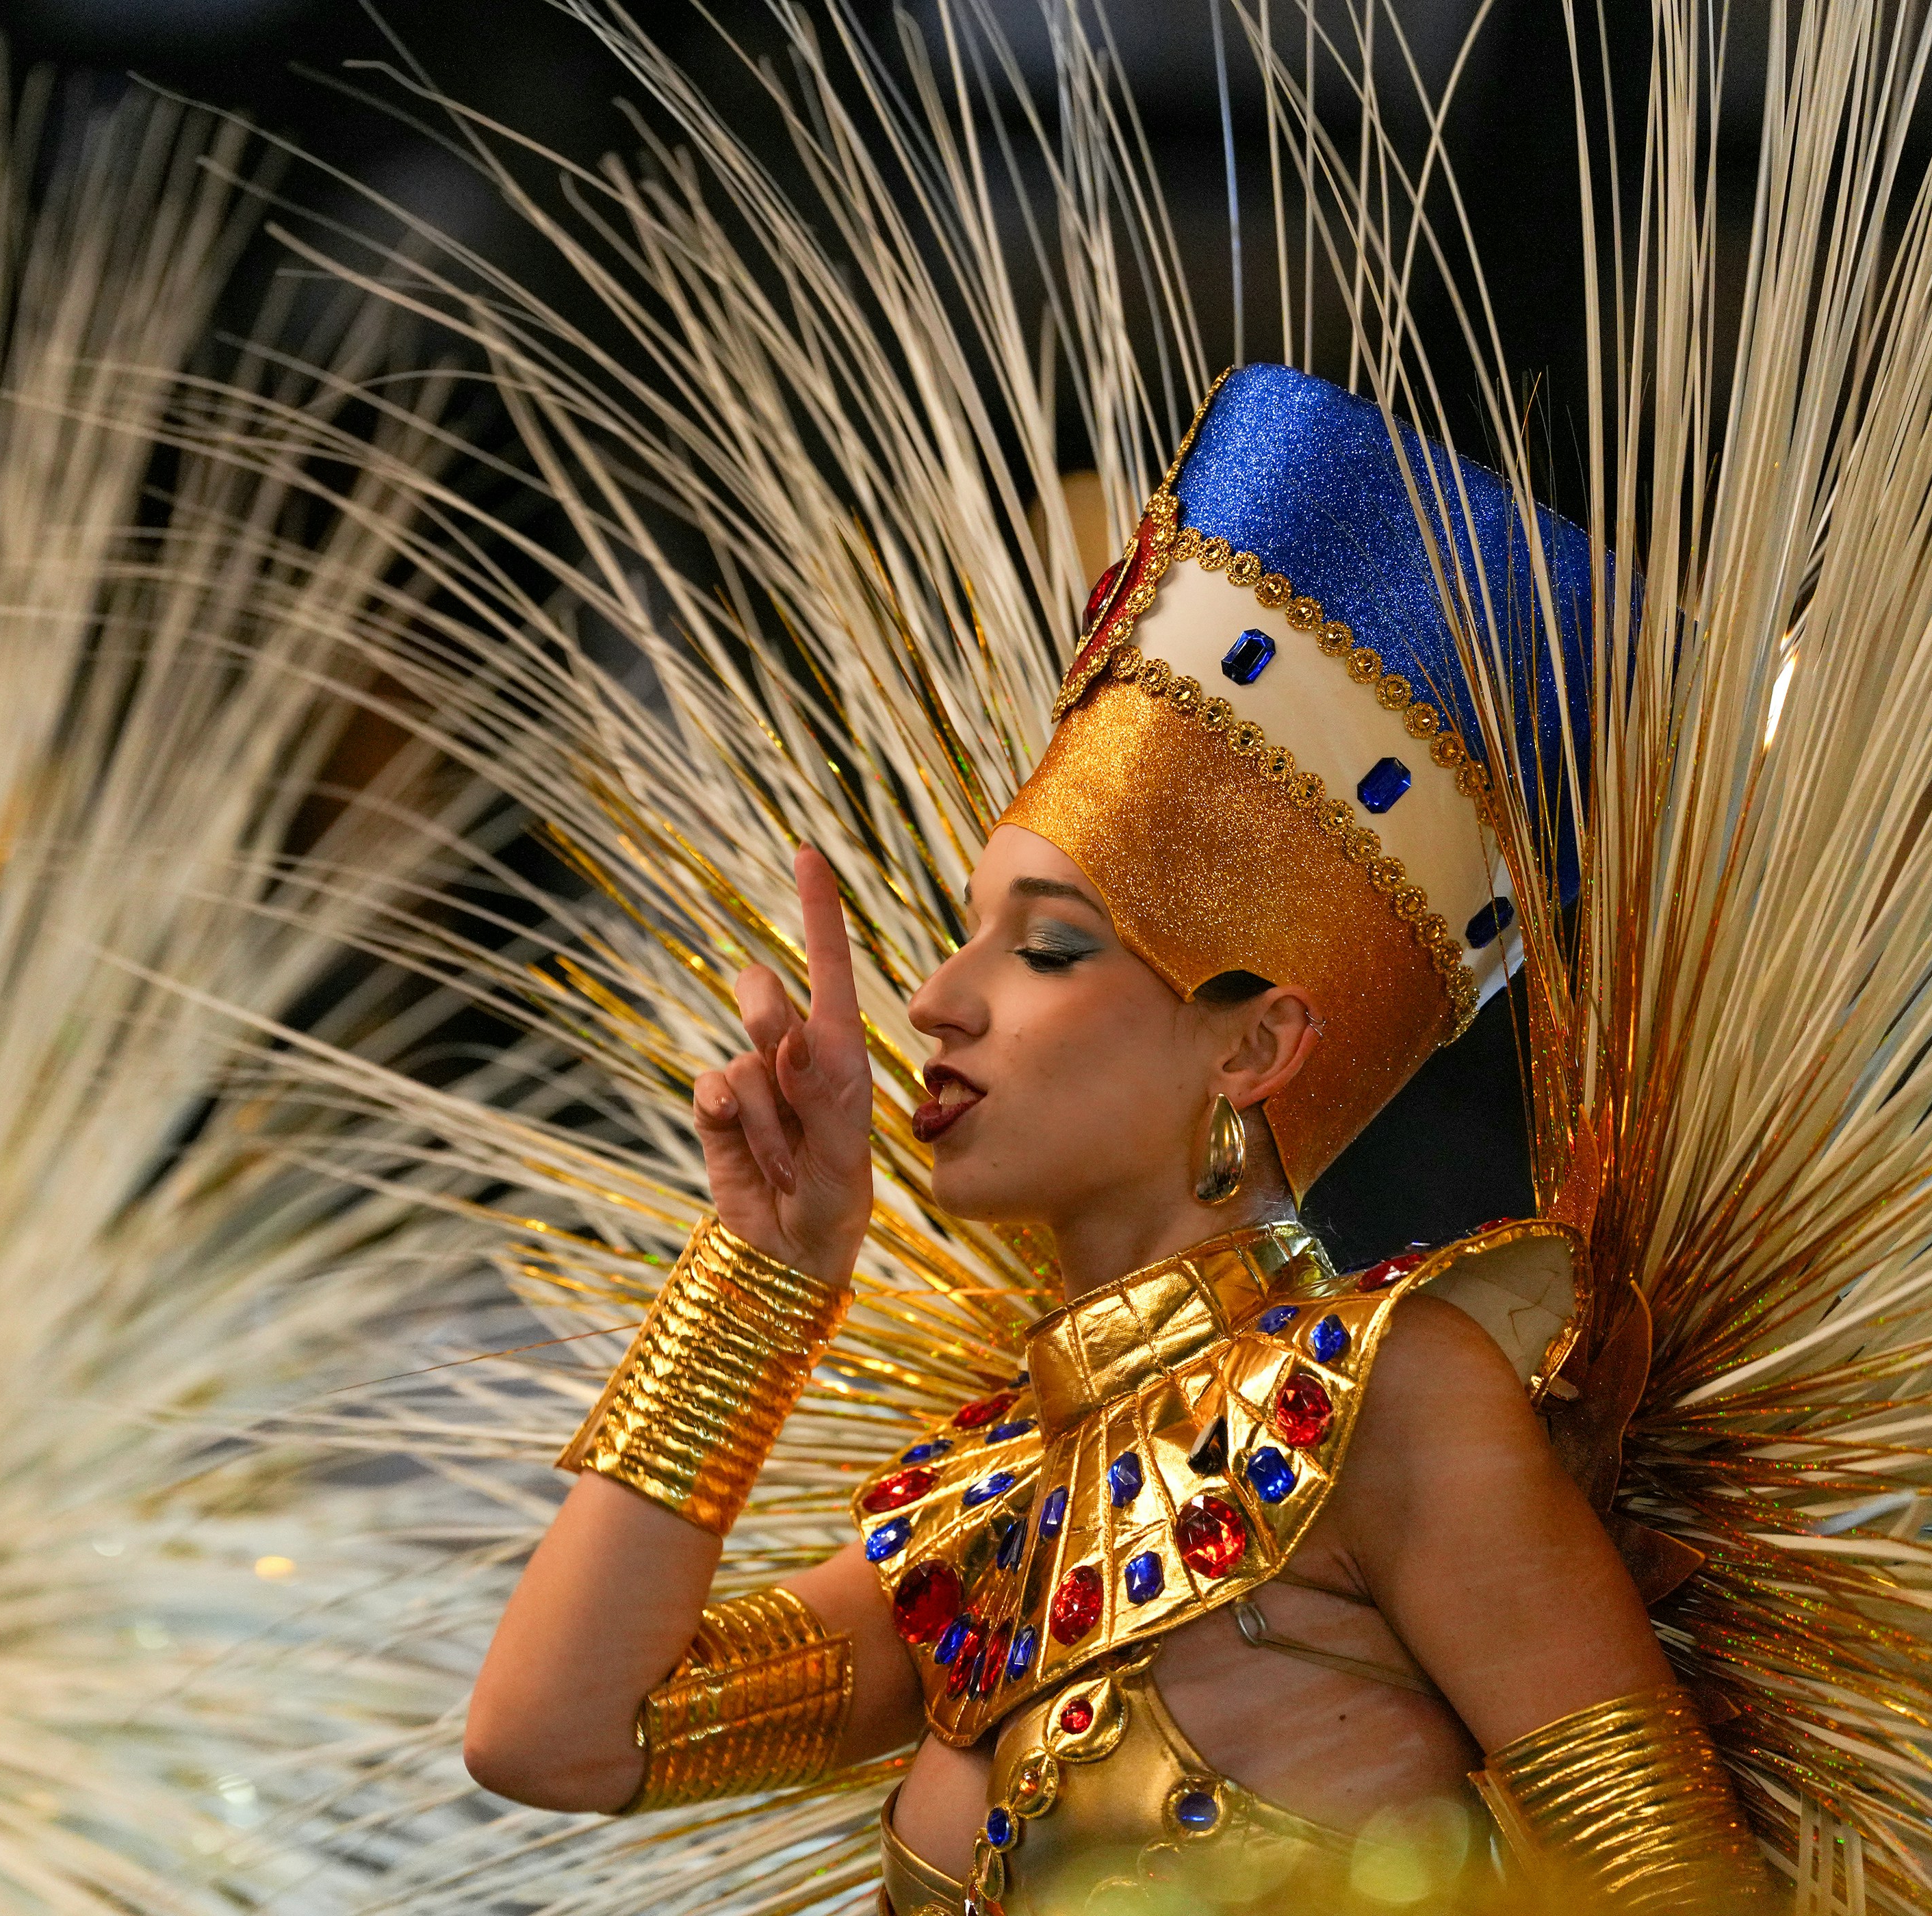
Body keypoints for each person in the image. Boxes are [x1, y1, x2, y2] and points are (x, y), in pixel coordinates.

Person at [463, 364, 1773, 1913]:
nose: (938, 1002)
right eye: (963, 940)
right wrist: (764, 1269)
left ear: (1255, 1044)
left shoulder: (1395, 1404)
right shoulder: (1002, 1501)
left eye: (1052, 946)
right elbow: (556, 1736)